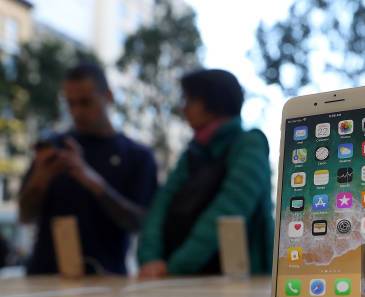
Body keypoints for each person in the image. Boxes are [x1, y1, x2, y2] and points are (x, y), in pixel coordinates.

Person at [19, 63, 158, 274]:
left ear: (108, 96)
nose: (77, 112)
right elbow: (25, 216)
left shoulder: (137, 156)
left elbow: (140, 223)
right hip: (44, 277)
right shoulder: (54, 148)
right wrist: (40, 177)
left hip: (106, 280)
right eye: (70, 103)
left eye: (85, 102)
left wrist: (93, 182)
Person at [137, 69, 273, 277]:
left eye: (190, 100)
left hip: (240, 283)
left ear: (213, 103)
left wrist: (173, 267)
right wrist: (150, 258)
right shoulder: (193, 152)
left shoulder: (249, 144)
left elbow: (229, 209)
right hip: (181, 280)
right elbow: (161, 205)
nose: (184, 108)